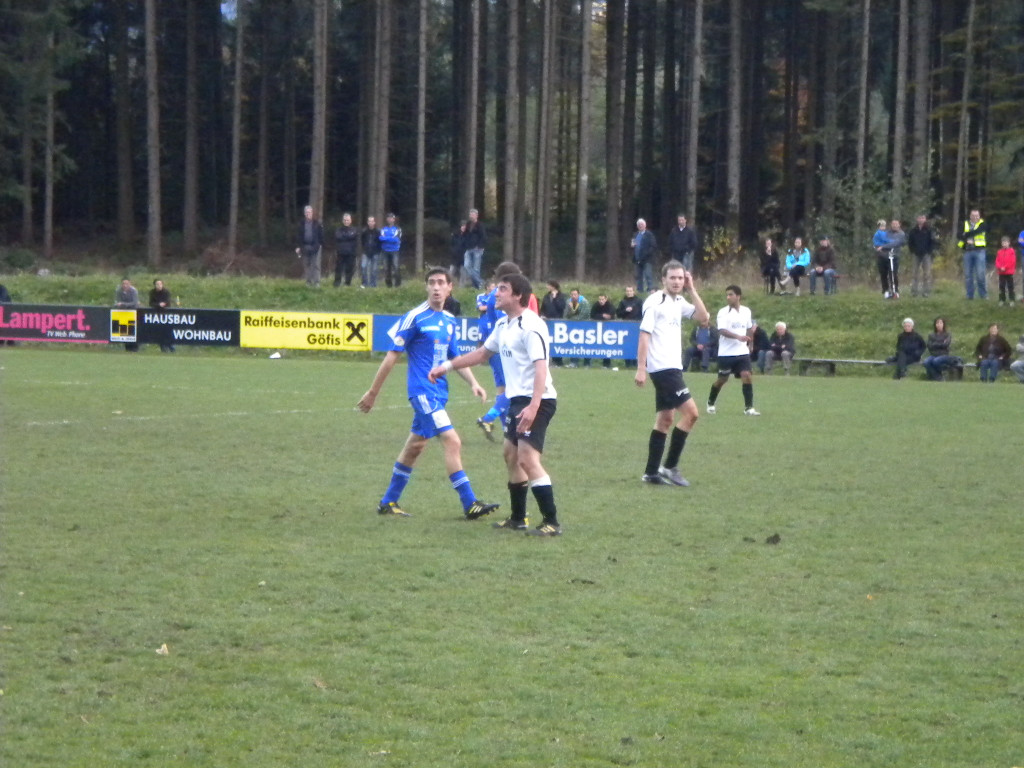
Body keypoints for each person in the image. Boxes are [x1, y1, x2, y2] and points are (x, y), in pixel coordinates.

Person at [356, 268, 498, 521]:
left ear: (450, 287)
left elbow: (454, 359)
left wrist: (473, 383)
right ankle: (470, 503)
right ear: (426, 287)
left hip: (439, 393)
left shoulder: (449, 320)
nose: (436, 287)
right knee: (453, 441)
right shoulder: (415, 317)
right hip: (423, 393)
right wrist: (373, 392)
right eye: (431, 283)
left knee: (416, 446)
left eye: (441, 283)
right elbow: (391, 356)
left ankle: (388, 502)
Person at [428, 273, 563, 536]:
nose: (495, 294)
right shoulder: (503, 324)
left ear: (518, 295)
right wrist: (447, 366)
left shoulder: (532, 326)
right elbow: (482, 353)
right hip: (517, 399)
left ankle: (552, 522)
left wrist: (534, 406)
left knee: (527, 458)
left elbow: (541, 368)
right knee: (510, 455)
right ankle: (518, 519)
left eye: (502, 289)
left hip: (537, 399)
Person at [634, 260, 710, 486]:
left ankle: (651, 473)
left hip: (672, 367)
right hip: (663, 368)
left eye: (680, 278)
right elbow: (644, 335)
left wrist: (692, 289)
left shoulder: (679, 301)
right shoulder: (655, 302)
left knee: (665, 420)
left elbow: (703, 318)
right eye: (673, 278)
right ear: (663, 280)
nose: (677, 282)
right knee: (692, 414)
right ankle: (669, 466)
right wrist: (641, 368)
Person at [475, 262, 525, 441]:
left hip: (494, 347)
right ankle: (488, 418)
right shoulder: (502, 297)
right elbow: (507, 322)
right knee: (512, 389)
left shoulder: (493, 296)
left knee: (502, 390)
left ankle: (506, 429)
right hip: (501, 348)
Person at [706, 285, 759, 414]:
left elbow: (749, 328)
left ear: (738, 296)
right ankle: (711, 402)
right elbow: (722, 331)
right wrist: (738, 337)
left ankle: (749, 408)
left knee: (746, 375)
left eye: (731, 294)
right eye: (727, 295)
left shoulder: (746, 311)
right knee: (722, 380)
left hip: (742, 352)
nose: (728, 297)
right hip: (726, 353)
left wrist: (750, 344)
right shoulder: (723, 312)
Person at [958, 209, 988, 300]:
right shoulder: (965, 224)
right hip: (968, 251)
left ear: (979, 216)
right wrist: (966, 239)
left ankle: (983, 295)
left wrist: (966, 234)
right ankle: (969, 295)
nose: (975, 217)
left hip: (979, 251)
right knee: (968, 275)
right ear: (970, 216)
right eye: (973, 215)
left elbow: (977, 232)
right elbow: (958, 235)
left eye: (977, 215)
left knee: (980, 274)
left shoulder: (983, 224)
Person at [908, 214, 937, 297]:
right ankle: (914, 292)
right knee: (914, 273)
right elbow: (910, 242)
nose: (921, 219)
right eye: (919, 218)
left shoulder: (929, 230)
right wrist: (912, 251)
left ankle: (926, 292)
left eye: (922, 218)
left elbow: (933, 241)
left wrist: (929, 251)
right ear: (917, 219)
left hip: (926, 254)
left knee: (927, 274)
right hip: (916, 254)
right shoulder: (913, 230)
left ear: (925, 219)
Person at [295, 205, 324, 287]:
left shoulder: (317, 223)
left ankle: (317, 282)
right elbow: (299, 236)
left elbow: (321, 235)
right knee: (306, 265)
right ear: (305, 214)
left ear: (312, 213)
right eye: (307, 212)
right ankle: (308, 281)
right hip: (305, 247)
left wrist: (320, 244)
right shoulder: (301, 224)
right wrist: (298, 246)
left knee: (315, 265)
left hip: (315, 247)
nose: (308, 214)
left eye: (310, 212)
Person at [540, 279, 567, 367]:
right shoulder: (546, 296)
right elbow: (543, 307)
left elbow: (562, 307)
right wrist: (542, 315)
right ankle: (549, 359)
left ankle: (558, 361)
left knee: (557, 341)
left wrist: (555, 299)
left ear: (553, 286)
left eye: (548, 285)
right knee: (548, 340)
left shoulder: (561, 296)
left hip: (557, 321)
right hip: (547, 321)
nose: (547, 287)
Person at [616, 285, 642, 368]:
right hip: (626, 326)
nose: (629, 293)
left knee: (636, 345)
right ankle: (627, 363)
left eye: (630, 291)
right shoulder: (623, 302)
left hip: (636, 326)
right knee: (626, 344)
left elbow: (643, 313)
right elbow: (618, 314)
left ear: (633, 292)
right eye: (627, 291)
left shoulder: (639, 301)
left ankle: (635, 363)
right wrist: (625, 311)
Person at [564, 288, 590, 368]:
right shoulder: (568, 302)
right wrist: (571, 309)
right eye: (572, 294)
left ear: (579, 295)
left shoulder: (584, 302)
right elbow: (566, 315)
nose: (573, 296)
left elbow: (583, 316)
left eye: (575, 294)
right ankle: (573, 362)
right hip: (573, 328)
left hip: (585, 327)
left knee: (586, 345)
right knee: (573, 344)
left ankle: (587, 364)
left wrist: (572, 318)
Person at [631, 218, 658, 293]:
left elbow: (653, 246)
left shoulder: (649, 234)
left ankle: (650, 290)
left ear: (645, 225)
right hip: (637, 259)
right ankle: (640, 290)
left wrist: (647, 254)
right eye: (639, 225)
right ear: (637, 226)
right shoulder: (635, 234)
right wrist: (632, 246)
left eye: (642, 224)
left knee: (648, 275)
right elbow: (633, 244)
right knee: (638, 276)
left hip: (647, 259)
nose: (640, 226)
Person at [590, 293, 617, 368]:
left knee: (607, 346)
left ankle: (606, 364)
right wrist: (602, 316)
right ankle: (588, 363)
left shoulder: (610, 306)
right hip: (596, 329)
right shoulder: (596, 305)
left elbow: (611, 315)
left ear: (606, 299)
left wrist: (601, 316)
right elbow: (592, 315)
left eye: (602, 299)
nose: (601, 301)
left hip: (608, 329)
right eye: (600, 299)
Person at [148, 278, 175, 353]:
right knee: (159, 331)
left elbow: (168, 302)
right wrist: (158, 305)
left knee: (168, 331)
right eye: (157, 284)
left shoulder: (166, 292)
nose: (159, 285)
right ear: (154, 285)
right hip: (157, 315)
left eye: (160, 284)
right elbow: (151, 303)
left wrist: (163, 304)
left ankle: (171, 347)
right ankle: (163, 348)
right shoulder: (152, 292)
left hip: (166, 314)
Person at [462, 208, 486, 289]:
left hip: (477, 249)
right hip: (468, 248)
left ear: (476, 215)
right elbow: (465, 235)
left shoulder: (480, 225)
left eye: (472, 214)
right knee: (467, 266)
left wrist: (480, 246)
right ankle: (480, 282)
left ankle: (476, 286)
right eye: (470, 214)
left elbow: (483, 236)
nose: (471, 216)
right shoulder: (468, 224)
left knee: (476, 268)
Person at [114, 278, 140, 352]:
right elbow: (117, 301)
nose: (125, 285)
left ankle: (135, 348)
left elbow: (135, 303)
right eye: (123, 284)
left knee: (133, 331)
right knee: (125, 331)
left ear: (130, 284)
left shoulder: (134, 291)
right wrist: (118, 305)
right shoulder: (119, 291)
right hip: (123, 313)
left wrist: (123, 304)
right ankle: (127, 349)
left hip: (133, 312)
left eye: (126, 284)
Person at [333, 212, 358, 287]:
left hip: (351, 253)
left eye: (347, 220)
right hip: (340, 252)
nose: (346, 221)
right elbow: (338, 237)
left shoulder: (354, 229)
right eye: (345, 220)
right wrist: (348, 236)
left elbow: (353, 237)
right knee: (338, 269)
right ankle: (337, 283)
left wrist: (345, 237)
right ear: (342, 221)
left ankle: (347, 283)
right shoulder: (339, 229)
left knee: (349, 269)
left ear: (350, 221)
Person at [379, 213, 403, 287]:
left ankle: (397, 285)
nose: (390, 219)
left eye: (391, 218)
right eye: (388, 218)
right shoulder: (383, 229)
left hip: (394, 251)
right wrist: (390, 238)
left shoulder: (397, 229)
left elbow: (396, 240)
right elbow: (381, 238)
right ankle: (389, 285)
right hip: (385, 251)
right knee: (386, 268)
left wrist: (386, 238)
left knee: (396, 267)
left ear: (394, 219)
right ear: (387, 219)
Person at [995, 236, 1017, 305]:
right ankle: (1002, 300)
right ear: (1001, 243)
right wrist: (1000, 267)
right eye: (1003, 243)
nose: (1004, 244)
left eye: (1006, 242)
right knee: (1001, 286)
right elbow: (997, 261)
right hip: (1001, 272)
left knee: (1010, 286)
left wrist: (1005, 267)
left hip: (1009, 272)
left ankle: (1012, 300)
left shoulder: (1011, 251)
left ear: (1009, 243)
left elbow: (1012, 261)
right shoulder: (999, 252)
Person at [360, 215, 381, 288]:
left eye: (372, 221)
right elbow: (362, 241)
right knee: (363, 267)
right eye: (369, 221)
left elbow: (380, 242)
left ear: (374, 222)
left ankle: (373, 284)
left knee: (374, 269)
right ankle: (364, 283)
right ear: (367, 222)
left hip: (375, 252)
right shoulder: (364, 231)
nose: (371, 223)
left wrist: (378, 250)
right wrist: (365, 248)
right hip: (366, 252)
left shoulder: (378, 231)